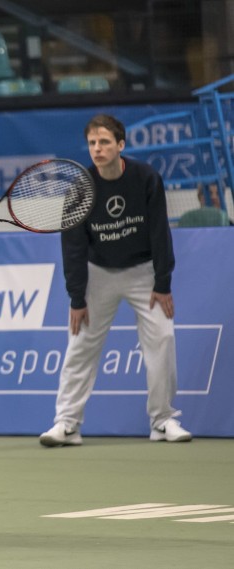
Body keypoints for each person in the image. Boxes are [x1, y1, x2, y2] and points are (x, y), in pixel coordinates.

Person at [39, 114, 192, 448]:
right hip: (98, 274)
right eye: (93, 143)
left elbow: (159, 233)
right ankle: (67, 424)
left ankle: (163, 420)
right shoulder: (80, 187)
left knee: (162, 339)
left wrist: (162, 283)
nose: (97, 148)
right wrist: (77, 298)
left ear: (120, 145)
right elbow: (73, 246)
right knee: (80, 345)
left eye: (105, 142)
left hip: (144, 272)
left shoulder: (146, 178)